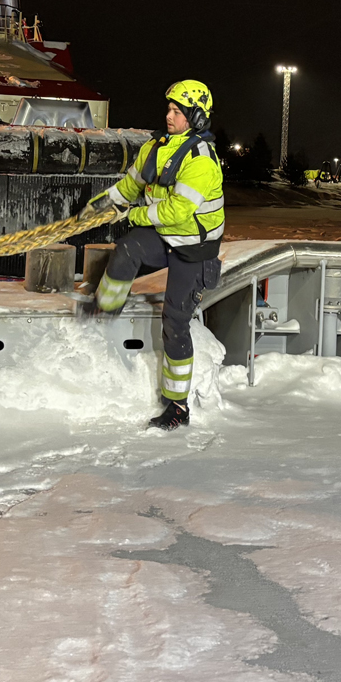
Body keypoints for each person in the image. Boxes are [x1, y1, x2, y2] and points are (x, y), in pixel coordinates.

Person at [91, 80, 224, 430]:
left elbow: (179, 211)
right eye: (168, 109)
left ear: (194, 118)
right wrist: (102, 205)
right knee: (127, 249)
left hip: (193, 249)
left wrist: (131, 215)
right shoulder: (156, 147)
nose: (168, 115)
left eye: (177, 112)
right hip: (166, 236)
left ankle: (177, 407)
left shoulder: (201, 161)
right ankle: (102, 308)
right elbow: (130, 186)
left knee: (175, 322)